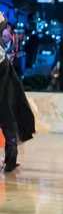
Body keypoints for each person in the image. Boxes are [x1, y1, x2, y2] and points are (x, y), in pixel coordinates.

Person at [0, 11, 36, 172]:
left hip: (3, 70)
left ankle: (11, 158)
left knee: (7, 112)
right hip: (3, 69)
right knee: (6, 112)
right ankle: (11, 159)